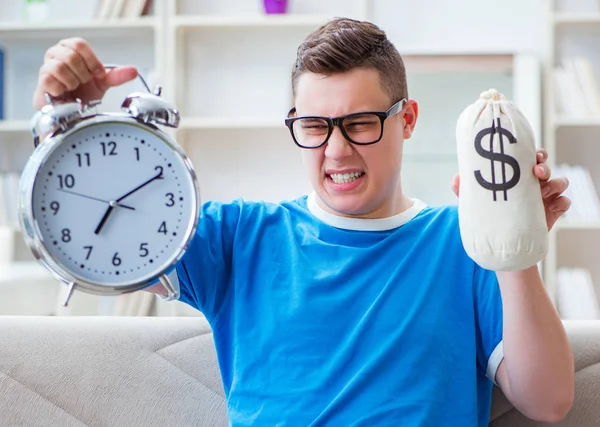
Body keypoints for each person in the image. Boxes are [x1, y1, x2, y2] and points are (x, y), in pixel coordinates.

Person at [33, 17, 574, 426]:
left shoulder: (463, 243)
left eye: (360, 123)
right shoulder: (237, 236)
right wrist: (63, 131)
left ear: (406, 120)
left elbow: (547, 401)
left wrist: (514, 242)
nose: (336, 150)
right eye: (314, 125)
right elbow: (85, 238)